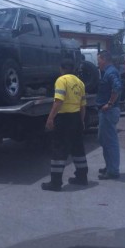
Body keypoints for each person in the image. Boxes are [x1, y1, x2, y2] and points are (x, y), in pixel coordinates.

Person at [42, 58, 88, 192]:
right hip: (76, 118)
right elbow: (83, 105)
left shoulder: (61, 80)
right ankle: (82, 177)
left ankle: (55, 183)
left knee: (59, 149)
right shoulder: (80, 83)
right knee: (78, 149)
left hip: (64, 119)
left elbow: (58, 101)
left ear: (61, 68)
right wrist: (82, 121)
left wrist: (50, 118)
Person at [96, 50, 122, 180]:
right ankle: (109, 166)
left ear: (104, 59)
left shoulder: (110, 72)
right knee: (104, 140)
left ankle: (113, 171)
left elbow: (117, 87)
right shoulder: (108, 71)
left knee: (110, 142)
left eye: (98, 60)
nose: (97, 63)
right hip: (105, 111)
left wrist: (110, 104)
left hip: (108, 111)